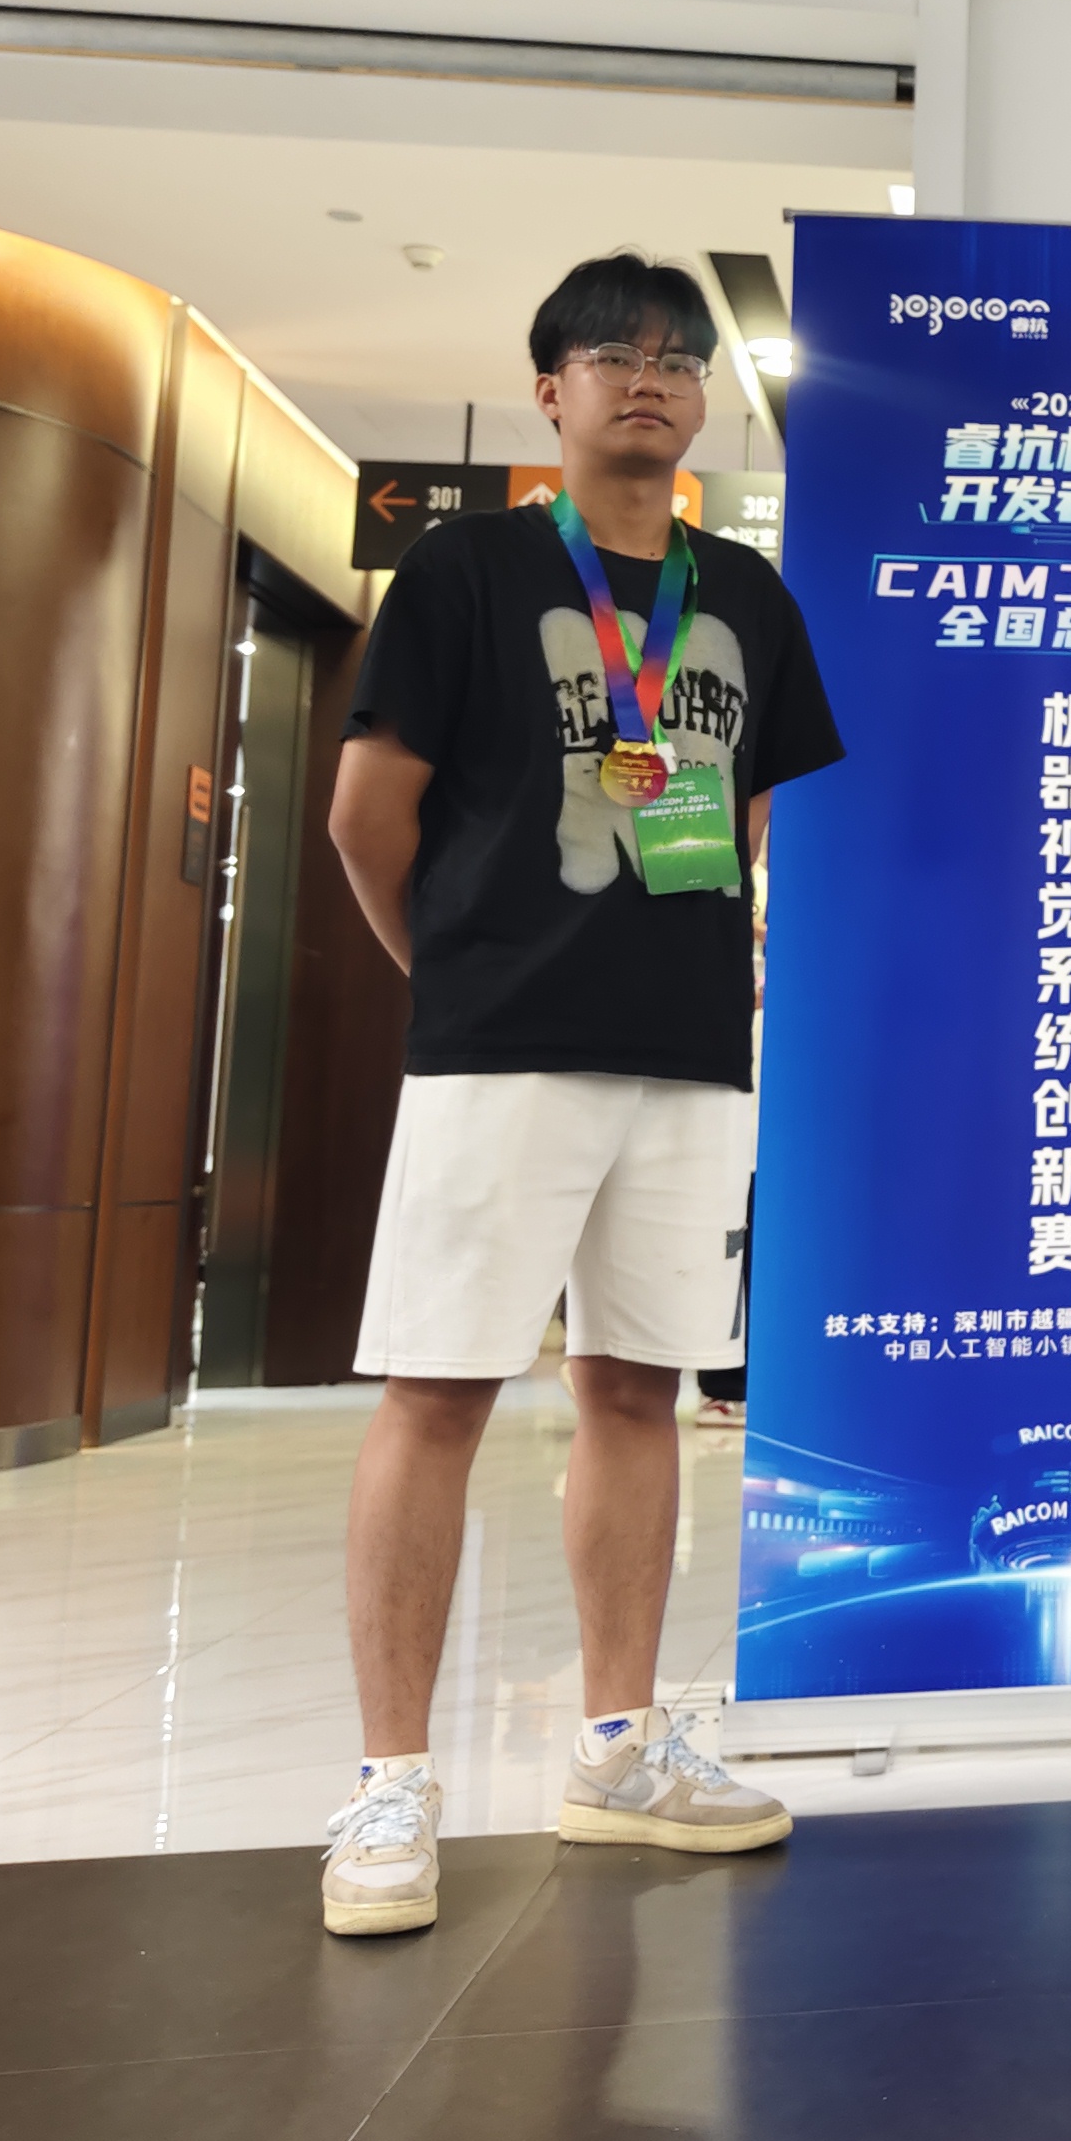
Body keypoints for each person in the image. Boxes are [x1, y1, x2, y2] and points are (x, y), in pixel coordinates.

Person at [314, 253, 844, 1938]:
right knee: (437, 1393)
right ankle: (391, 1785)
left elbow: (745, 823)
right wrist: (454, 972)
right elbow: (365, 817)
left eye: (680, 357)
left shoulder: (745, 595)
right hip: (502, 1047)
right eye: (614, 352)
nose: (652, 375)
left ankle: (619, 1747)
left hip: (689, 1057)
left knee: (639, 1391)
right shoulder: (464, 570)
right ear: (550, 391)